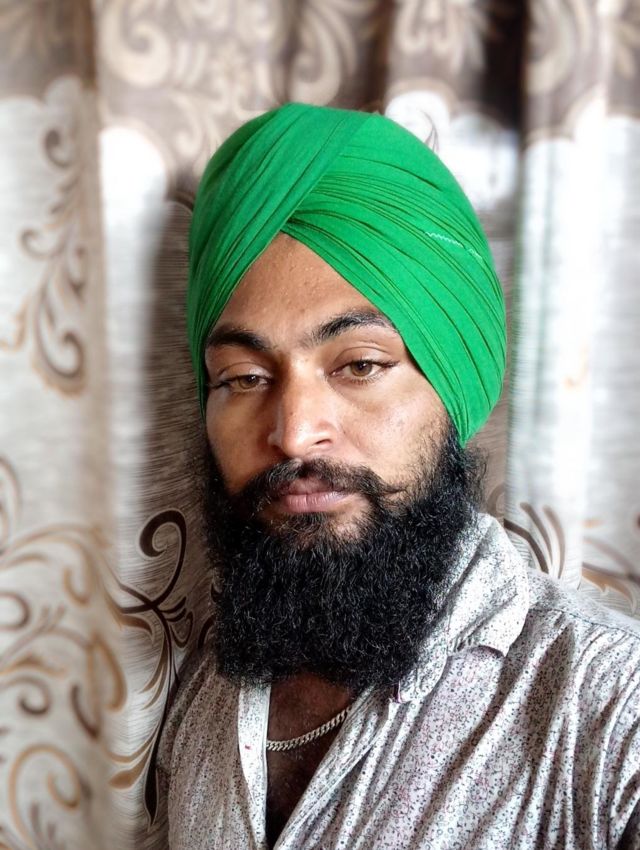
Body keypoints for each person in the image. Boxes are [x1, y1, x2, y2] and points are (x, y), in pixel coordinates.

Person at [157, 103, 640, 850]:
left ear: (451, 388)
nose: (293, 432)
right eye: (244, 377)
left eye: (359, 365)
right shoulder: (202, 684)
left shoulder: (607, 710)